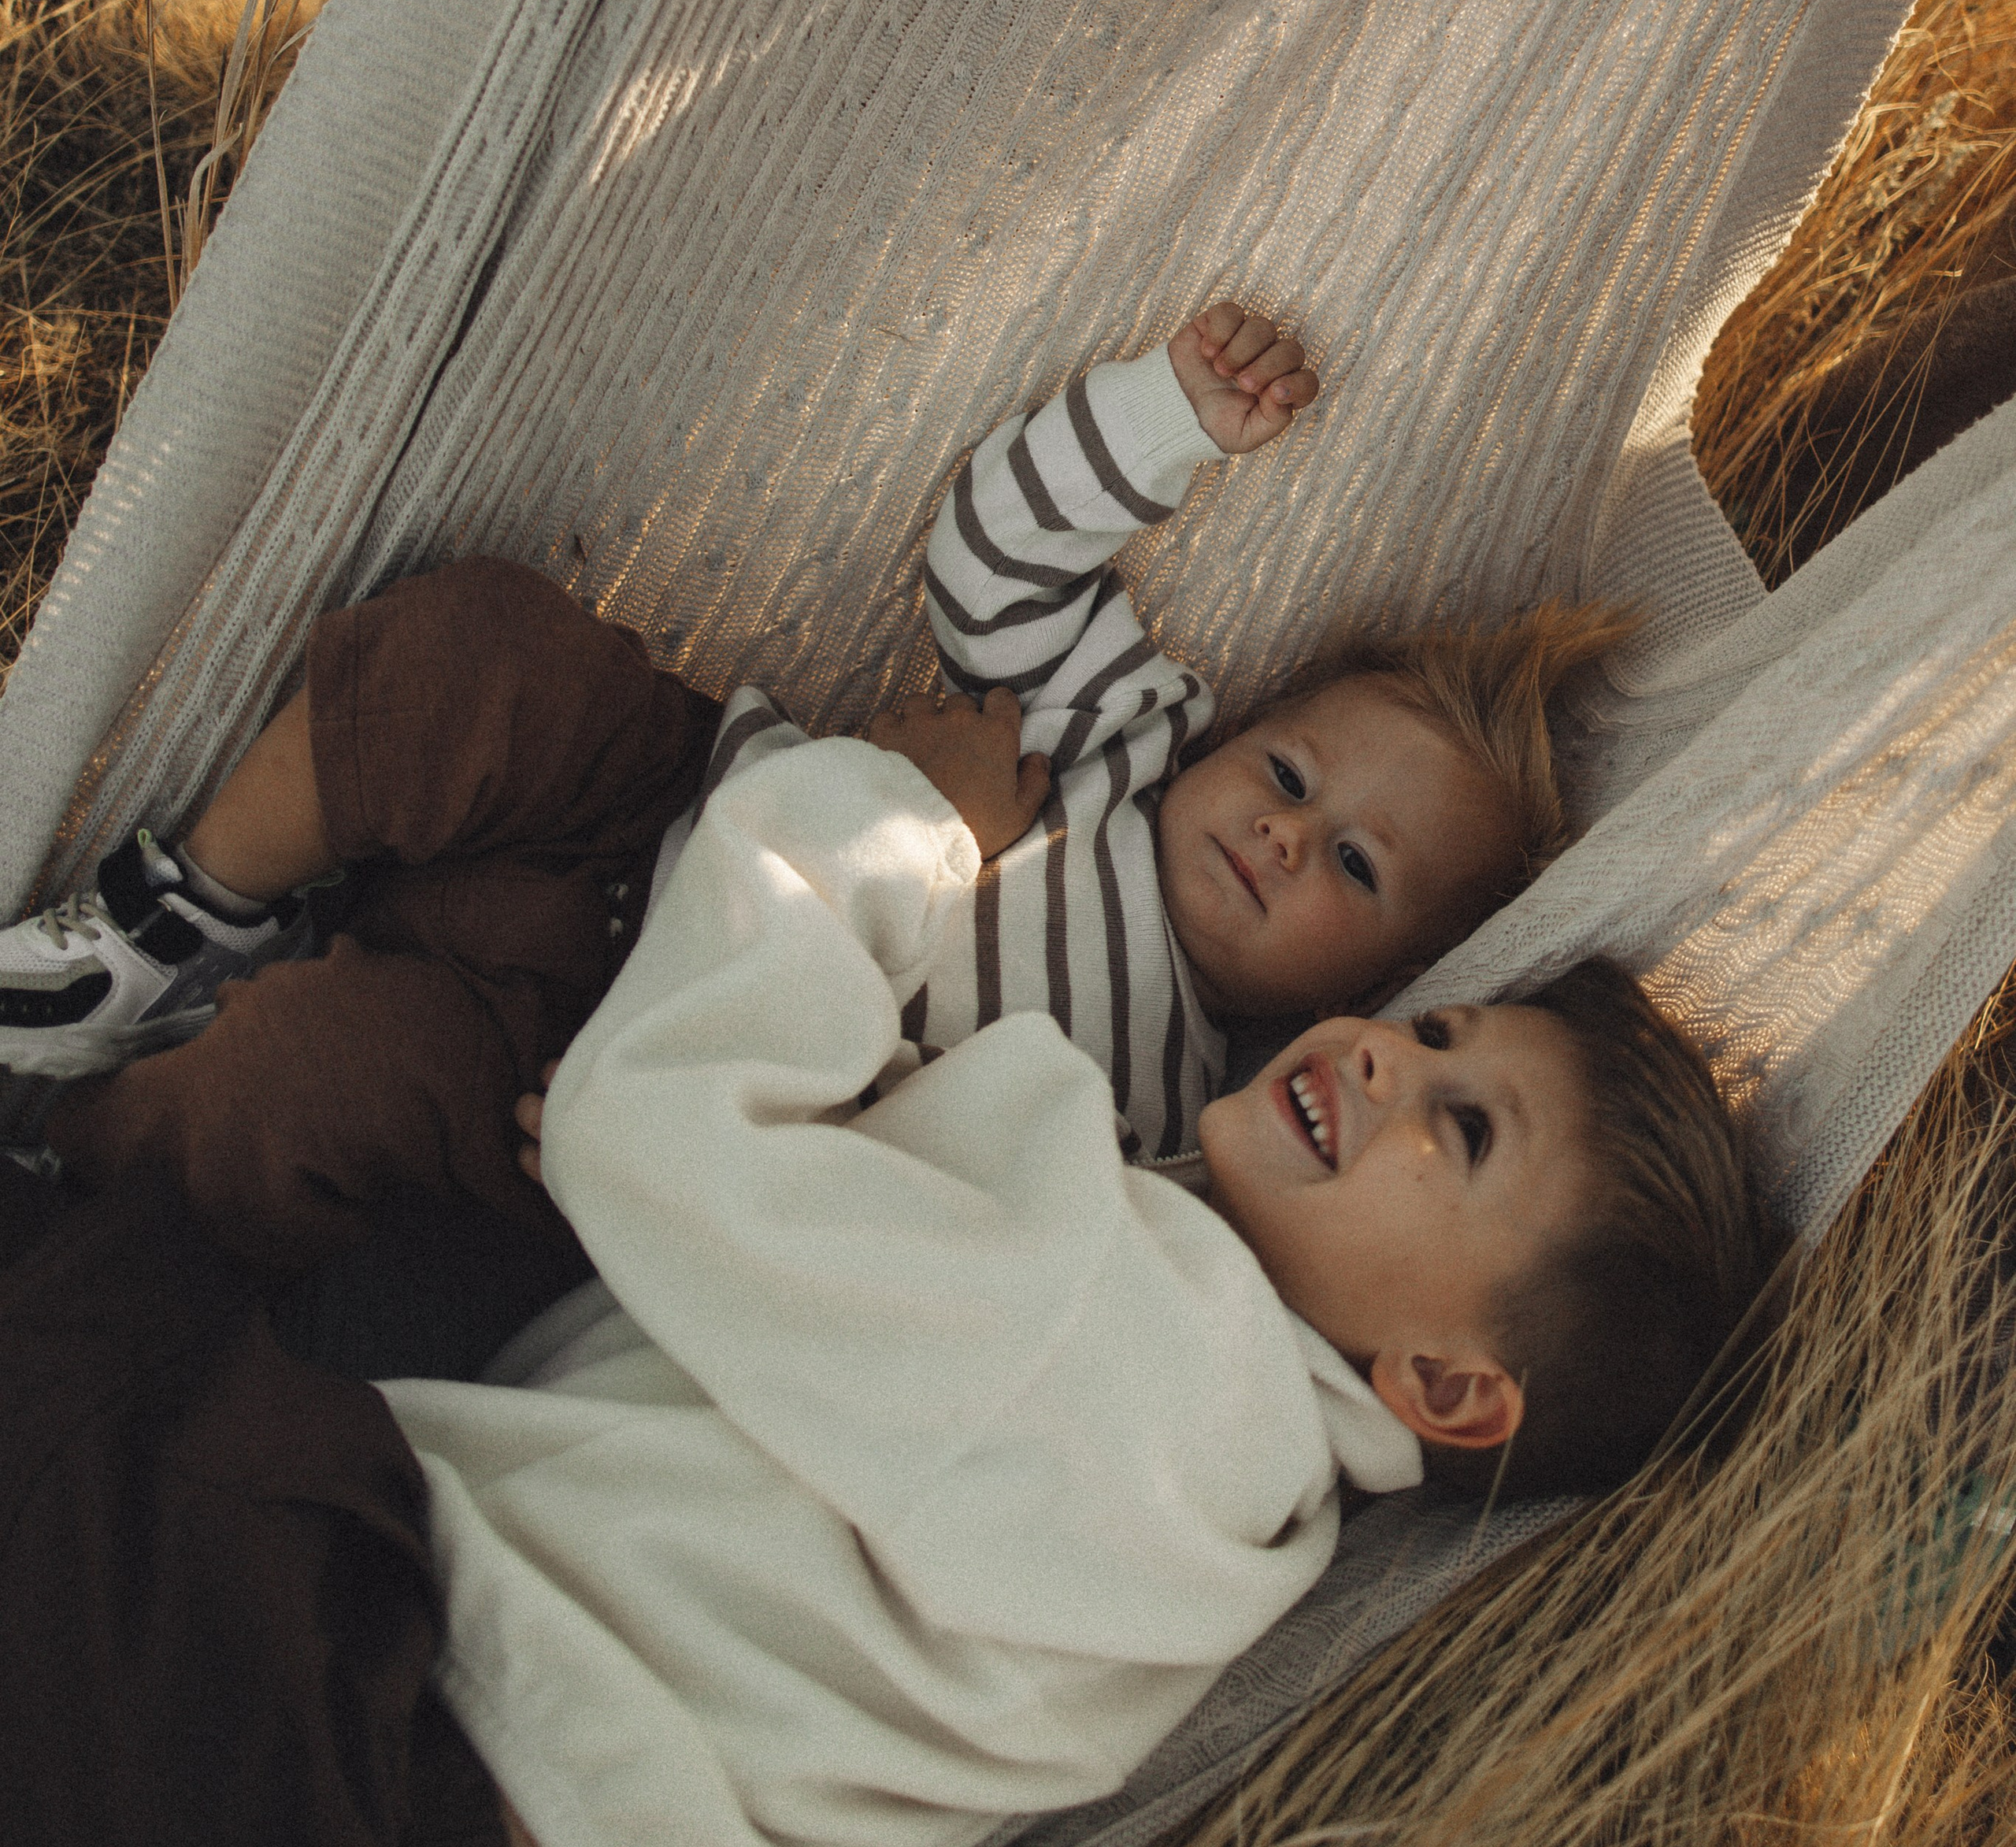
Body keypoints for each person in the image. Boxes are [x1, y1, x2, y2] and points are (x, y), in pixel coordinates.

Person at [0, 707, 1771, 1847]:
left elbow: (656, 1128)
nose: (1388, 1056)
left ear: (1449, 1391)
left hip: (350, 1757)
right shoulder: (1234, 1503)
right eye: (1438, 1026)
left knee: (84, 1307)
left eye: (1464, 1128)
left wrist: (899, 820)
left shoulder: (1143, 1334)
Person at [0, 302, 1629, 1269]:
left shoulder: (1151, 1122)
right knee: (479, 649)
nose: (1285, 831)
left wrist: (674, 1172)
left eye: (1356, 869)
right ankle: (177, 915)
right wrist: (1168, 417)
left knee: (312, 1091)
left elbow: (903, 1244)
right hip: (655, 804)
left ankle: (69, 1141)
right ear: (1237, 727)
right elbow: (991, 557)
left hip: (591, 1079)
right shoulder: (1122, 728)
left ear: (1374, 987)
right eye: (1288, 770)